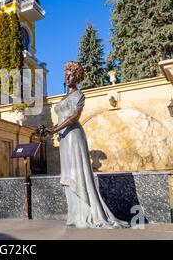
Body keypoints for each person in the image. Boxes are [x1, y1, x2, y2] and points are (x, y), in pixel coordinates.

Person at [40, 61, 129, 229]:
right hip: (64, 138)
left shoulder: (79, 95)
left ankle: (88, 213)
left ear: (78, 77)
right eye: (66, 74)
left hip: (74, 136)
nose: (67, 76)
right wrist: (53, 131)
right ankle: (76, 214)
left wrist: (54, 129)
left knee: (77, 173)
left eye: (71, 74)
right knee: (68, 173)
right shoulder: (64, 97)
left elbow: (75, 116)